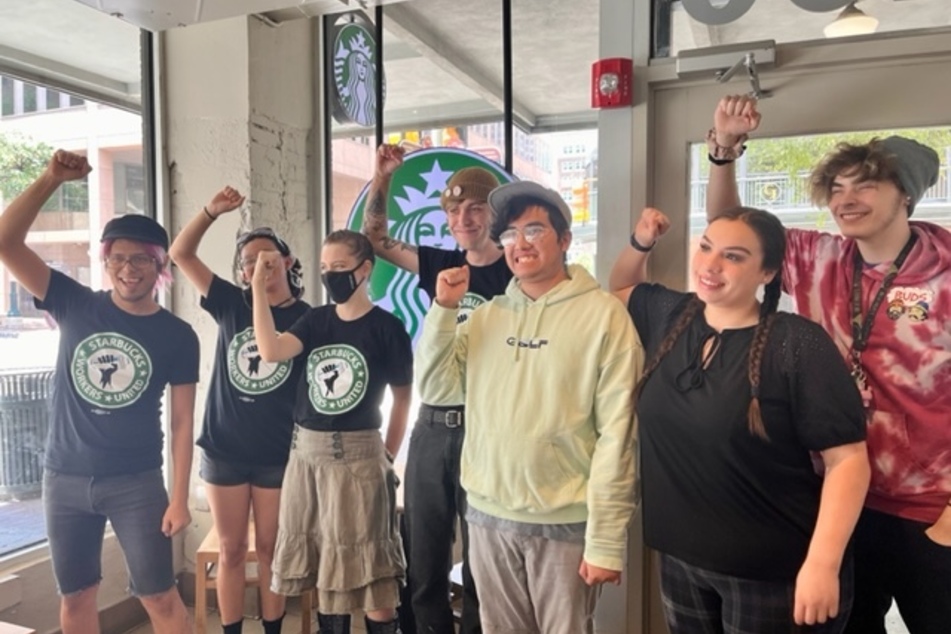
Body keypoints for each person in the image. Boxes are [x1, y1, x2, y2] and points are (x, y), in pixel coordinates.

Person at [705, 95, 951, 634]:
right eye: (836, 188)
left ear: (905, 193)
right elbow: (731, 228)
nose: (846, 199)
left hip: (930, 511)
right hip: (840, 500)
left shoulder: (946, 273)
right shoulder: (820, 258)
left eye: (865, 185)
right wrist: (724, 152)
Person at [610, 205, 870, 633]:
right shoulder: (672, 315)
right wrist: (642, 239)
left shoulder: (796, 342)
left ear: (767, 273)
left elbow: (848, 460)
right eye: (707, 247)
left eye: (733, 256)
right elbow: (621, 285)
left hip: (774, 571)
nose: (710, 265)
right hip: (680, 559)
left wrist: (823, 564)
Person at [416, 181, 640, 634]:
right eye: (510, 235)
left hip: (566, 522)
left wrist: (606, 541)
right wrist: (442, 309)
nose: (520, 244)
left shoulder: (603, 315)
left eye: (534, 230)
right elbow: (436, 388)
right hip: (487, 515)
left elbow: (619, 433)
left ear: (564, 240)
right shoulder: (486, 316)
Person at [0, 150, 199, 634]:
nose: (128, 269)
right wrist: (50, 179)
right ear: (106, 261)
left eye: (141, 259)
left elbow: (181, 423)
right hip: (63, 478)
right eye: (118, 258)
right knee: (75, 598)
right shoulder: (74, 303)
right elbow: (5, 242)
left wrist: (178, 497)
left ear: (159, 267)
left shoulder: (177, 335)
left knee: (159, 597)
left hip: (136, 482)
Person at [362, 143, 511, 634]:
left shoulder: (518, 271)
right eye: (453, 209)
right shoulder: (438, 264)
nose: (463, 218)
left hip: (488, 428)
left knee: (480, 560)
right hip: (432, 425)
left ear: (495, 211)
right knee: (423, 557)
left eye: (474, 208)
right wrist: (382, 179)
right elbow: (375, 239)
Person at [251, 229, 412, 634]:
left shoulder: (388, 327)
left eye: (339, 268)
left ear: (365, 269)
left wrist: (386, 455)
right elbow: (270, 351)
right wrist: (257, 287)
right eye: (325, 268)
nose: (330, 276)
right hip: (307, 456)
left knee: (373, 577)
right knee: (324, 572)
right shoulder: (317, 320)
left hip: (360, 457)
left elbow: (403, 399)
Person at [168, 188, 310, 634]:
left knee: (270, 549)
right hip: (224, 448)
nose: (258, 265)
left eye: (267, 257)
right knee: (230, 551)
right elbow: (179, 253)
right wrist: (211, 211)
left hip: (277, 454)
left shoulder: (309, 317)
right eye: (248, 261)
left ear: (287, 263)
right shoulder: (231, 302)